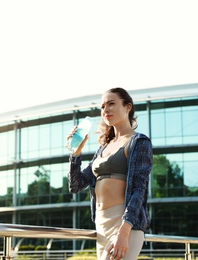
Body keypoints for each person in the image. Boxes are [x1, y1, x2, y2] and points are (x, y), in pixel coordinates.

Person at [67, 87, 153, 260]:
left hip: (124, 222)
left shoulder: (139, 142)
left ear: (128, 107)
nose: (105, 109)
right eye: (103, 106)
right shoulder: (103, 148)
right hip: (101, 223)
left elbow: (139, 190)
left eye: (111, 104)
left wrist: (124, 229)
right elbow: (75, 185)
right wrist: (75, 153)